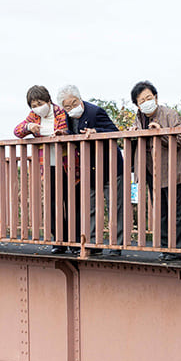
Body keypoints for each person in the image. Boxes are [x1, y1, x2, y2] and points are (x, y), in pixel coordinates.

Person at [57, 84, 123, 257]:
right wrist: (65, 135)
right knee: (90, 207)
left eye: (74, 103)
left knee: (115, 207)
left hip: (110, 165)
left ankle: (116, 245)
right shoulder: (68, 116)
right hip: (90, 168)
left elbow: (115, 132)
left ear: (80, 99)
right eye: (67, 106)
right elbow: (74, 134)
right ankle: (93, 244)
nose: (71, 108)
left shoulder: (95, 112)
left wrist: (97, 132)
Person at [14, 85, 78, 255]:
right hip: (47, 166)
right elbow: (17, 131)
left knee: (70, 203)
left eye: (39, 103)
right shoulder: (34, 116)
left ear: (48, 100)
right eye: (33, 105)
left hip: (67, 165)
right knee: (52, 205)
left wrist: (61, 134)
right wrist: (29, 128)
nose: (37, 107)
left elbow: (67, 130)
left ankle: (74, 241)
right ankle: (59, 240)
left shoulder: (60, 112)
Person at [130, 81, 181, 261]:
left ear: (156, 97)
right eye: (141, 101)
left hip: (171, 169)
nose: (146, 102)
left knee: (175, 211)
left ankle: (176, 249)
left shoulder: (170, 114)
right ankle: (164, 247)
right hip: (150, 169)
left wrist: (161, 132)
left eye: (148, 98)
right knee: (160, 211)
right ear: (137, 105)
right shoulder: (139, 118)